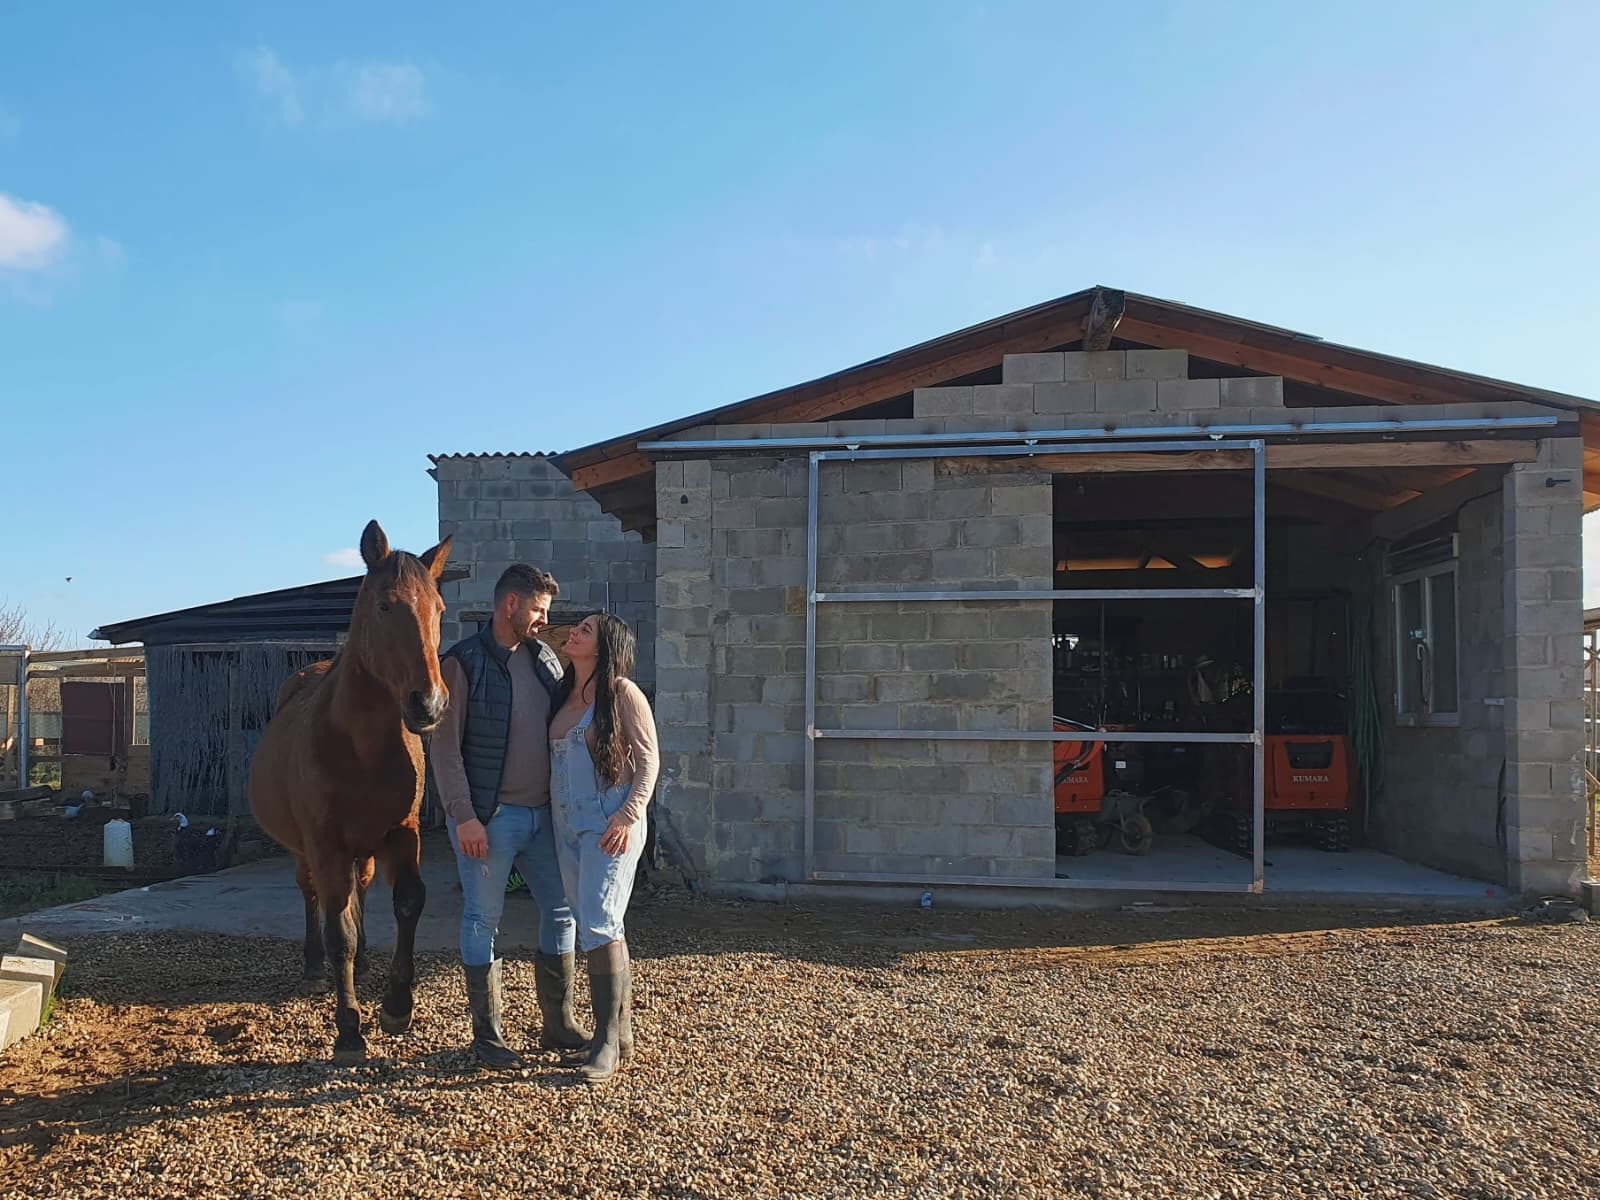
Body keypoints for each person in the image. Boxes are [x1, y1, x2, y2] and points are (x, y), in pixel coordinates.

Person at [429, 564, 588, 1069]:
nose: (545, 620)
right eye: (539, 610)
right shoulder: (462, 663)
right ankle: (488, 1038)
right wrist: (463, 816)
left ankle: (558, 1023)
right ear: (511, 605)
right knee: (482, 918)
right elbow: (445, 749)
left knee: (561, 911)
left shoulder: (545, 659)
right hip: (488, 819)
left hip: (545, 817)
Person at [548, 612, 659, 1084]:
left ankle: (606, 1042)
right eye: (576, 628)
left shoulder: (622, 693)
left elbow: (650, 762)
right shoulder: (562, 691)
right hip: (566, 823)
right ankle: (623, 1032)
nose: (573, 633)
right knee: (597, 923)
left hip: (609, 823)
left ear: (605, 645)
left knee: (598, 922)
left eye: (585, 630)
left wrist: (627, 817)